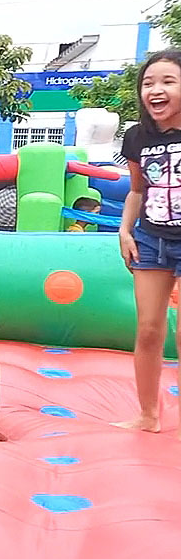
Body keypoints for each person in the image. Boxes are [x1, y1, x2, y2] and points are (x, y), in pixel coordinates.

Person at [115, 48, 181, 434]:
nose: (155, 90)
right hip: (151, 239)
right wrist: (125, 231)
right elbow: (137, 190)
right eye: (148, 83)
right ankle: (148, 415)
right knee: (149, 329)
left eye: (168, 81)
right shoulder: (138, 137)